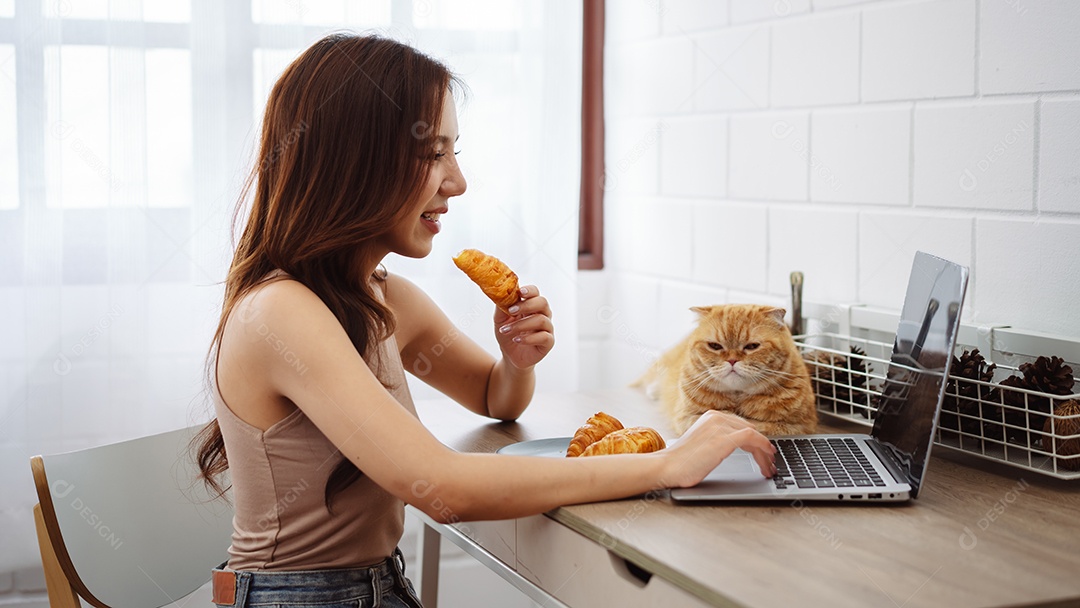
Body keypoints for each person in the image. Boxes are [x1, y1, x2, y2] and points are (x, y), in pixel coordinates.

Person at [195, 33, 776, 608]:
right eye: (433, 154)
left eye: (454, 152)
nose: (457, 181)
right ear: (353, 161)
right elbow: (442, 487)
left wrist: (515, 362)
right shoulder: (282, 311)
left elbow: (494, 399)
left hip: (380, 585)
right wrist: (667, 464)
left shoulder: (383, 299)